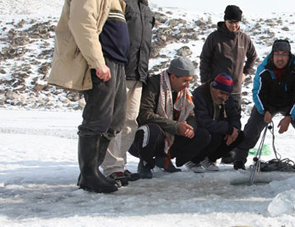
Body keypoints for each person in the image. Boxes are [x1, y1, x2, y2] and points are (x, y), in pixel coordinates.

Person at [48, 0, 130, 193]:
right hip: (103, 61)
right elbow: (82, 22)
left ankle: (92, 171)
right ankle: (89, 174)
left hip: (117, 62)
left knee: (115, 120)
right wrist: (97, 62)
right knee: (97, 117)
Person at [233, 40, 295, 170]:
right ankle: (238, 160)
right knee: (252, 126)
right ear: (272, 55)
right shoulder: (263, 69)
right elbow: (257, 93)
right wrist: (264, 111)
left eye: (284, 54)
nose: (280, 58)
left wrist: (289, 117)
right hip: (268, 104)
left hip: (290, 104)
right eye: (277, 54)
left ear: (289, 56)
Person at [101, 0, 155, 186]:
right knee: (114, 120)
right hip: (120, 69)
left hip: (139, 73)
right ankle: (111, 167)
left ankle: (120, 165)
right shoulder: (122, 3)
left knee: (130, 121)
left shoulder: (146, 9)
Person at [129, 56, 211, 178]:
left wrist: (189, 128)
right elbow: (145, 115)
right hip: (145, 139)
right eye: (185, 81)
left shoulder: (183, 93)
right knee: (152, 130)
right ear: (173, 77)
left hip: (171, 135)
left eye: (190, 81)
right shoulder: (154, 85)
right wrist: (176, 126)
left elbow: (191, 115)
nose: (188, 85)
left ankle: (164, 159)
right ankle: (145, 162)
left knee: (203, 135)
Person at [199, 5, 257, 164]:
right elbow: (205, 60)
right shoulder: (214, 38)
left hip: (235, 89)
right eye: (231, 21)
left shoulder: (244, 38)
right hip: (216, 89)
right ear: (225, 20)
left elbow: (253, 56)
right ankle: (208, 154)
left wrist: (245, 72)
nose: (234, 25)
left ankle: (228, 152)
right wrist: (205, 82)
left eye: (237, 22)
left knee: (234, 120)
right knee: (217, 121)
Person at [190, 73, 245, 172]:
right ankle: (192, 159)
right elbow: (203, 121)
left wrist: (234, 129)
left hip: (217, 129)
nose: (224, 97)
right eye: (221, 93)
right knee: (211, 136)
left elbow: (235, 115)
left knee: (239, 136)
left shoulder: (227, 99)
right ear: (213, 88)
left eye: (227, 95)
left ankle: (208, 159)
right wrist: (228, 129)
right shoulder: (200, 95)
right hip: (198, 132)